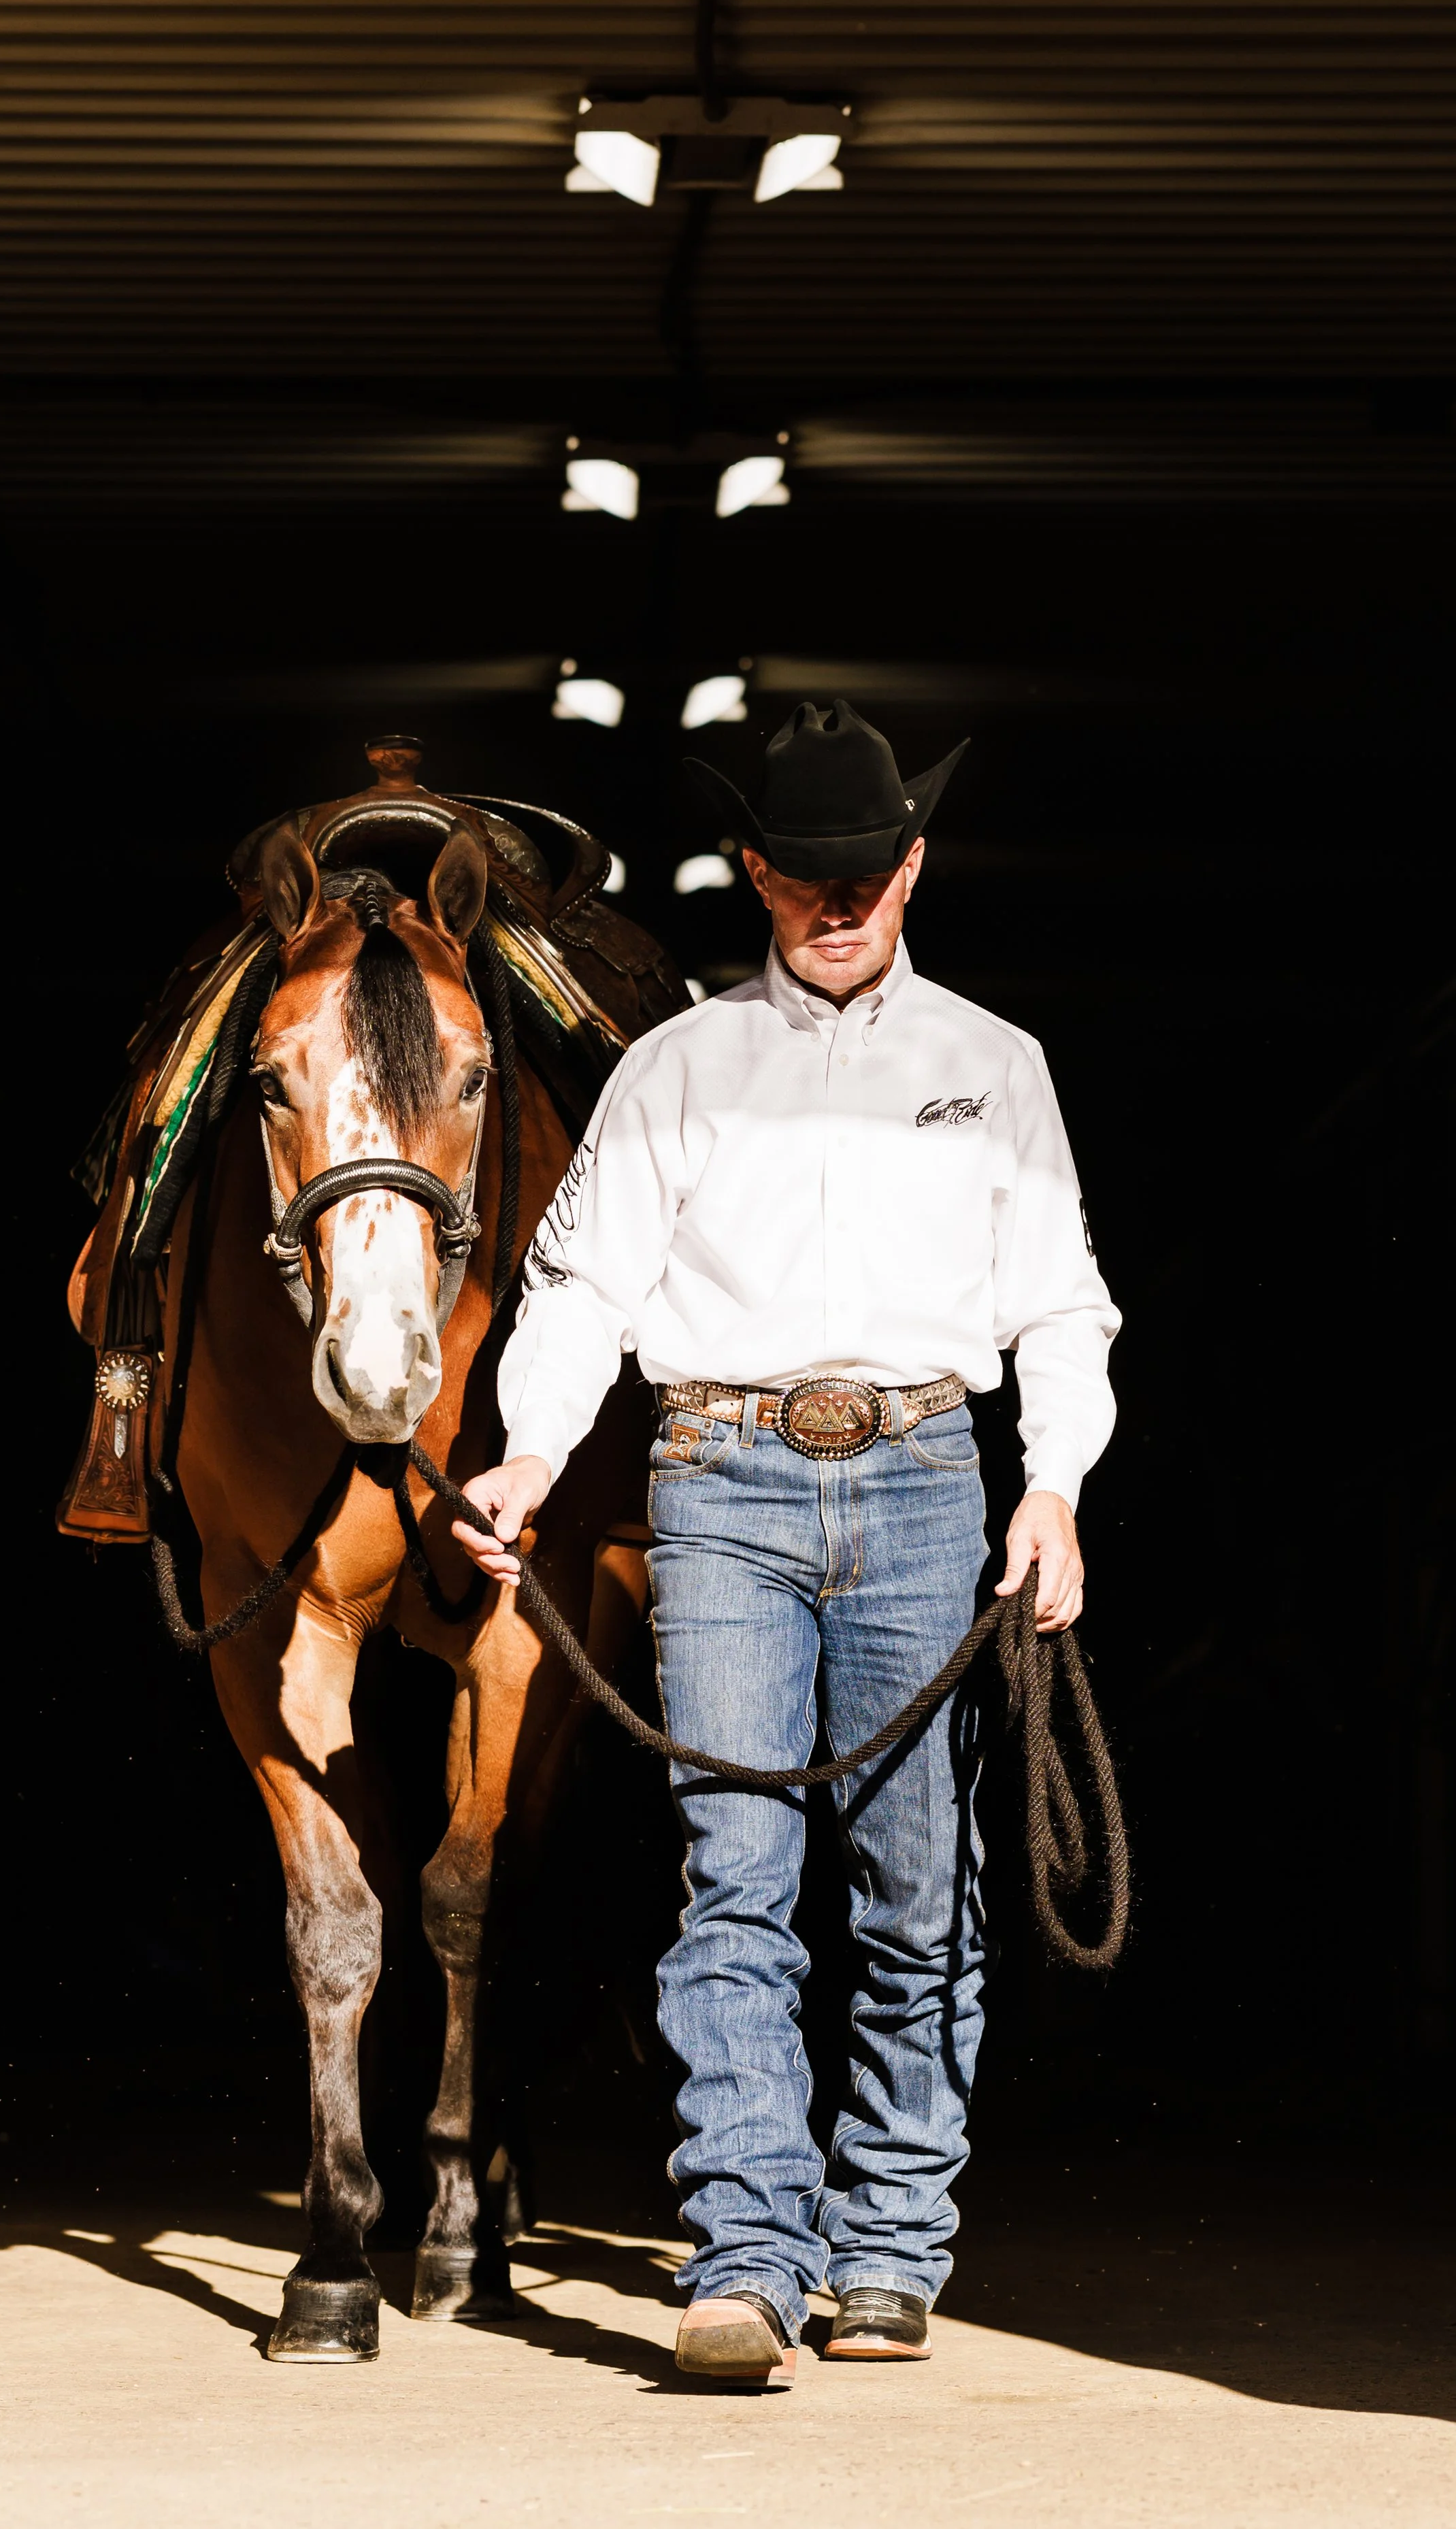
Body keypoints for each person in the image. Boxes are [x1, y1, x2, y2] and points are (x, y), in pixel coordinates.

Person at [453, 701, 1120, 2385]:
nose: (837, 903)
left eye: (863, 873)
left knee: (917, 1890)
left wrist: (1051, 1488)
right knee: (733, 1871)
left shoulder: (993, 1063)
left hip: (921, 1480)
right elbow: (584, 1279)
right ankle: (747, 2249)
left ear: (910, 863)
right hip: (722, 1478)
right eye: (803, 874)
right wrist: (531, 1449)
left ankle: (889, 2244)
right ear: (754, 870)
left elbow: (1059, 1305)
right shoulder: (674, 1067)